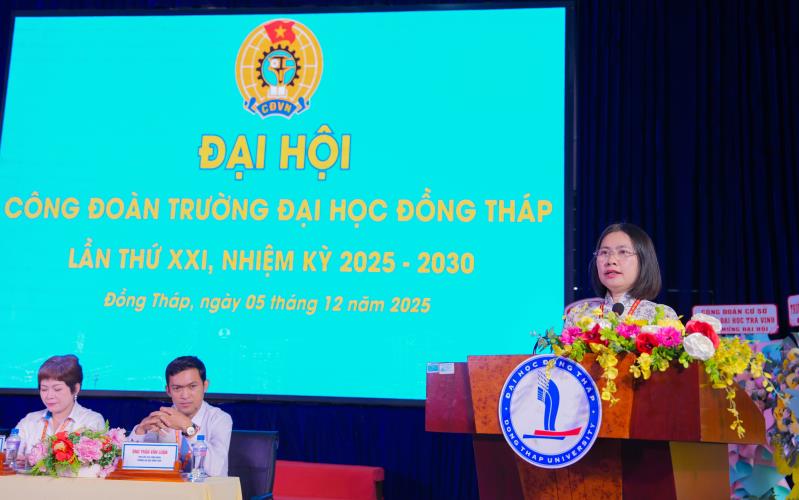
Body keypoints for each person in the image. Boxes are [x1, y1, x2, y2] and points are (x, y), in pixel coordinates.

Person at [128, 356, 232, 477]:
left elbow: (216, 470)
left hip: (206, 488)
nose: (185, 395)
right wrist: (140, 432)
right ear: (168, 391)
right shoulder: (161, 419)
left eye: (192, 386)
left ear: (205, 386)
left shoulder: (219, 419)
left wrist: (188, 428)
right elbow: (133, 465)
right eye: (177, 388)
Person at [566, 222, 678, 325]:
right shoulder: (578, 316)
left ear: (643, 260)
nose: (611, 260)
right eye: (604, 252)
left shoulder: (662, 316)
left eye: (623, 252)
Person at [14, 354, 105, 457]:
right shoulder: (30, 420)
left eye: (57, 389)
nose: (49, 396)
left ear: (76, 389)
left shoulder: (91, 421)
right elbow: (9, 456)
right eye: (44, 389)